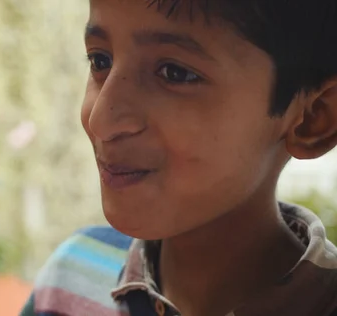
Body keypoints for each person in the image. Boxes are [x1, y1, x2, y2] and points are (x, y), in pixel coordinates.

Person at [20, 0, 337, 315]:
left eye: (175, 73)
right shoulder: (72, 277)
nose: (100, 120)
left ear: (313, 118)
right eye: (100, 61)